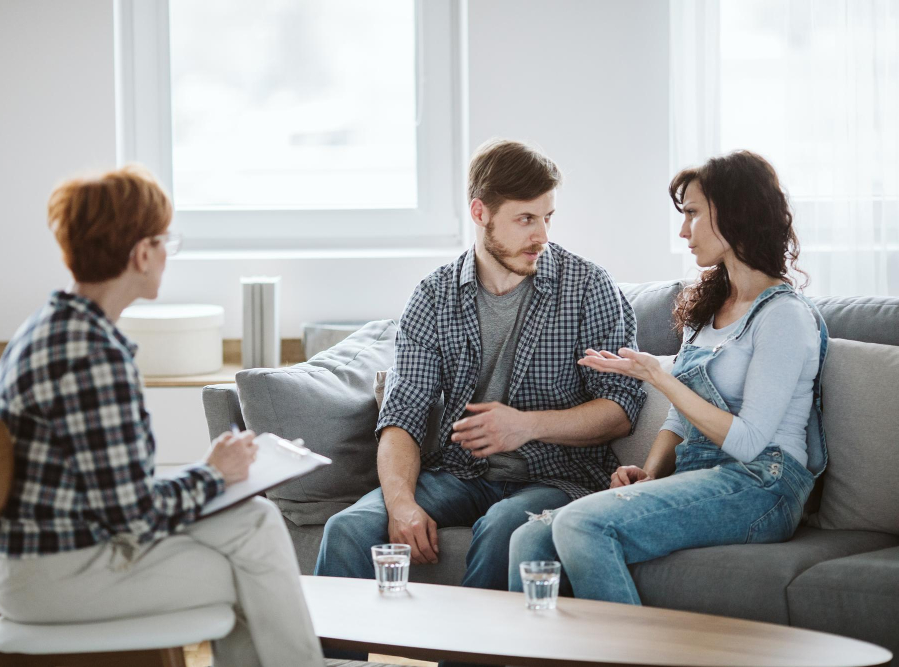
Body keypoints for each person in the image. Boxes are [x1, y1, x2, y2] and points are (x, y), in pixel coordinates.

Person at [0, 166, 324, 667]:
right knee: (254, 574)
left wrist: (210, 475)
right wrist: (211, 475)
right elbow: (133, 517)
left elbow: (115, 493)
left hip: (43, 556)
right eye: (165, 241)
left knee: (255, 521)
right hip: (59, 573)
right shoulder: (94, 356)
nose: (167, 253)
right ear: (142, 253)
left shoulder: (52, 325)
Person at [314, 139, 647, 596]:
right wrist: (402, 504)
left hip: (558, 477)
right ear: (480, 212)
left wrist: (526, 427)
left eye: (547, 217)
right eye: (526, 219)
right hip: (460, 473)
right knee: (347, 528)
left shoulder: (590, 288)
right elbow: (402, 416)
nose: (542, 236)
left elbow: (621, 409)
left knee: (505, 527)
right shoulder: (434, 297)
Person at [508, 150, 828, 605]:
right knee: (530, 538)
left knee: (581, 524)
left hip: (764, 485)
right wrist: (650, 474)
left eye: (693, 214)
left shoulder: (784, 316)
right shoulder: (707, 311)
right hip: (704, 475)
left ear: (734, 214)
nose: (683, 230)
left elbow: (749, 441)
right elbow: (680, 421)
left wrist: (660, 377)